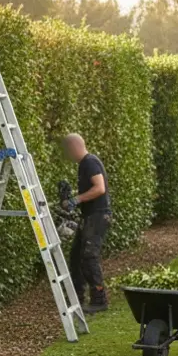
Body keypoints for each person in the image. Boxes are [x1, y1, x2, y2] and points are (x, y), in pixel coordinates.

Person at [61, 133, 112, 314]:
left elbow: (99, 188)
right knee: (76, 256)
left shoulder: (90, 162)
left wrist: (76, 200)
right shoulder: (84, 164)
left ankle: (99, 298)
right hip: (89, 216)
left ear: (73, 147)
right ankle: (77, 295)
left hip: (97, 217)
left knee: (89, 256)